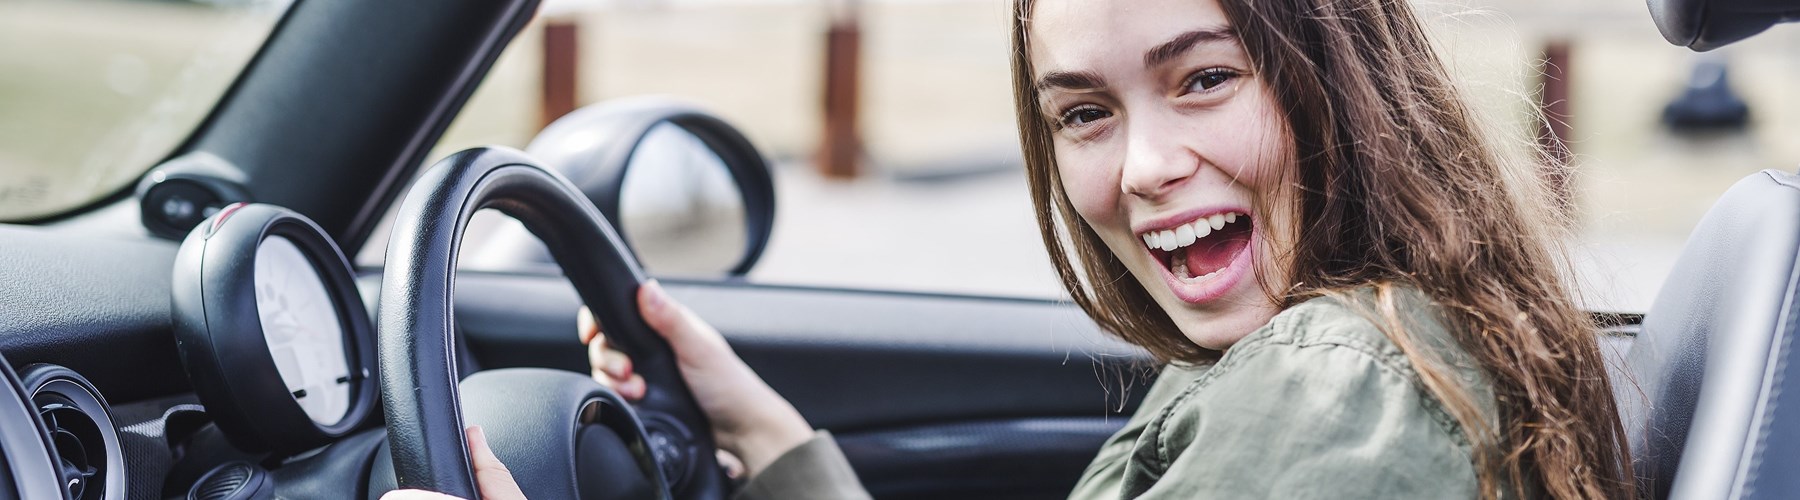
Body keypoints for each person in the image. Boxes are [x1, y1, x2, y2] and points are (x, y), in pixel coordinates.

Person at [388, 0, 1639, 497]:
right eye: (1083, 113)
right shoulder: (1318, 354)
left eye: (1203, 78)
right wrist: (772, 443)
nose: (1140, 166)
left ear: (1341, 81)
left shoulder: (1339, 389)